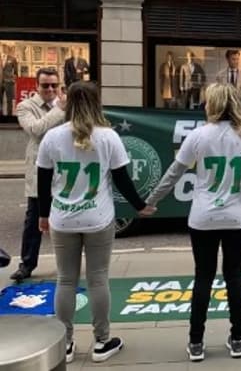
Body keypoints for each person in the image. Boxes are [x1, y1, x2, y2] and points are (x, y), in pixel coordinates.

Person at [145, 83, 241, 362]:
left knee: (203, 277)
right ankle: (238, 338)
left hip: (203, 218)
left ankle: (196, 342)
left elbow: (174, 173)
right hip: (238, 218)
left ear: (212, 104)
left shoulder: (198, 136)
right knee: (234, 276)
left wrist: (150, 201)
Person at [36, 81, 156, 364]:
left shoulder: (52, 138)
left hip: (63, 218)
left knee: (65, 280)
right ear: (96, 103)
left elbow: (43, 182)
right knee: (98, 278)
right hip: (98, 218)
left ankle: (64, 343)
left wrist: (43, 215)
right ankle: (102, 341)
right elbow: (122, 179)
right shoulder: (108, 137)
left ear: (68, 102)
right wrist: (140, 206)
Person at [10, 67, 66, 282]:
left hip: (63, 171)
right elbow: (35, 129)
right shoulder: (25, 106)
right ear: (37, 86)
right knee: (34, 219)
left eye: (54, 85)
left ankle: (67, 264)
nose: (50, 89)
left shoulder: (64, 104)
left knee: (66, 221)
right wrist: (59, 110)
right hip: (39, 172)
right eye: (45, 85)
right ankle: (26, 264)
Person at [1, 43, 19, 116]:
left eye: (5, 48)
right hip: (0, 82)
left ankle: (9, 116)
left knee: (9, 100)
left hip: (9, 82)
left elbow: (16, 71)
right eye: (2, 48)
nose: (4, 49)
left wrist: (13, 80)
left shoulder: (12, 59)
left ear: (8, 49)